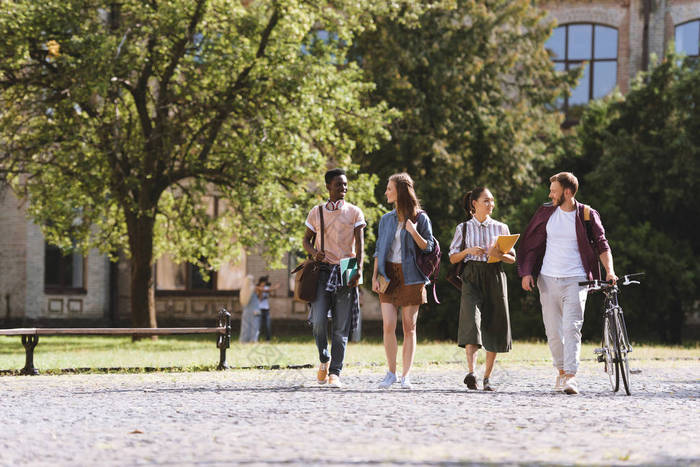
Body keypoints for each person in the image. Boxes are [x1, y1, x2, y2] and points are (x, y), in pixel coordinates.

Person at [517, 172, 617, 395]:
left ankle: (571, 377)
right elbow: (532, 243)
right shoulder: (546, 212)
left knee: (571, 328)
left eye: (554, 190)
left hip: (576, 279)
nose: (550, 194)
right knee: (553, 331)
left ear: (568, 192)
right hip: (547, 278)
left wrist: (609, 271)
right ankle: (561, 372)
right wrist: (526, 272)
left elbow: (602, 245)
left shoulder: (587, 214)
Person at [303, 168, 365, 388]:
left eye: (346, 185)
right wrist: (313, 252)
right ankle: (324, 358)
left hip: (348, 266)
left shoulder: (355, 212)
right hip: (322, 268)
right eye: (339, 185)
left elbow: (360, 243)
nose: (344, 188)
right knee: (318, 320)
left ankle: (335, 372)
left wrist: (359, 268)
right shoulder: (316, 212)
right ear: (328, 186)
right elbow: (306, 241)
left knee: (341, 325)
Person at [372, 173, 435, 390]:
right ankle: (391, 372)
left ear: (400, 191)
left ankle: (405, 376)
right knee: (388, 324)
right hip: (387, 274)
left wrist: (413, 231)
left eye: (390, 188)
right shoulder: (386, 219)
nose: (386, 192)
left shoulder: (421, 218)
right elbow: (379, 249)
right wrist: (374, 276)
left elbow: (428, 247)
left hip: (412, 275)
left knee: (409, 327)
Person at [448, 187, 514, 392]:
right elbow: (452, 257)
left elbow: (512, 258)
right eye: (486, 201)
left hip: (495, 275)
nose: (491, 204)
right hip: (472, 276)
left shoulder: (501, 227)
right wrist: (468, 251)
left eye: (492, 201)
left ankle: (487, 378)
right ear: (474, 204)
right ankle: (472, 373)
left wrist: (498, 253)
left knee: (494, 324)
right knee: (471, 322)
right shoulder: (464, 228)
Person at [255, 276, 279, 341]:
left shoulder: (266, 288)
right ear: (260, 282)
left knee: (268, 325)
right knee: (258, 325)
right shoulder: (257, 288)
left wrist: (272, 291)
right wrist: (274, 288)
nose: (264, 284)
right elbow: (260, 297)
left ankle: (268, 339)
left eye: (265, 283)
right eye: (263, 282)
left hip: (266, 309)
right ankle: (255, 339)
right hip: (259, 309)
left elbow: (269, 292)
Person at [239, 275, 261, 343]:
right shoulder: (254, 288)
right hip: (254, 311)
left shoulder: (243, 290)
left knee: (245, 326)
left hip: (246, 311)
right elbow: (262, 292)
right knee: (254, 326)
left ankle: (244, 340)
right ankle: (253, 340)